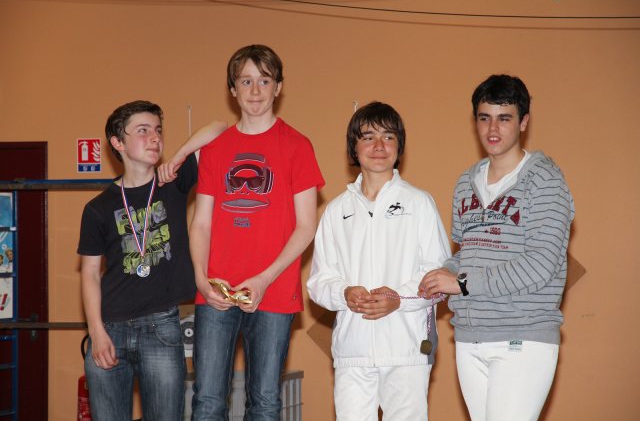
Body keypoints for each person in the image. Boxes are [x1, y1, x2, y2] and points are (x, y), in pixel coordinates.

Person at [419, 75, 575, 421]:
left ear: (523, 122)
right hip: (469, 336)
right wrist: (445, 272)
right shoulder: (465, 182)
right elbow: (469, 252)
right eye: (484, 117)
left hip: (522, 336)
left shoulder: (545, 180)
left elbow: (541, 264)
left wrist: (460, 283)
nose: (492, 128)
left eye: (504, 118)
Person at [189, 44, 324, 420]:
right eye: (245, 81)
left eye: (264, 81)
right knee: (207, 401)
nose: (255, 90)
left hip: (274, 290)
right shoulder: (215, 149)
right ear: (232, 89)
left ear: (278, 87)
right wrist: (200, 279)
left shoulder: (297, 146)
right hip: (215, 290)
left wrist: (264, 279)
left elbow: (306, 226)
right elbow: (200, 223)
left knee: (265, 401)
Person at [78, 100, 226, 421]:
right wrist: (96, 332)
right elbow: (89, 273)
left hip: (161, 328)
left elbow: (220, 128)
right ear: (118, 142)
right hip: (110, 328)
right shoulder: (97, 208)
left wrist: (180, 154)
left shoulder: (172, 183)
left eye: (158, 130)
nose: (155, 138)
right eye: (143, 131)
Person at [307, 101, 451, 420]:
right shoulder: (336, 211)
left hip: (407, 350)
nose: (378, 146)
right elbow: (318, 282)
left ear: (399, 146)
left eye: (388, 137)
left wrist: (399, 298)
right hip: (352, 353)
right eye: (368, 137)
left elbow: (440, 277)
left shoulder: (420, 203)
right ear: (354, 147)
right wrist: (344, 293)